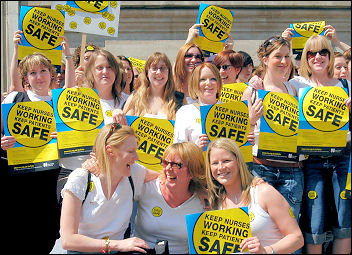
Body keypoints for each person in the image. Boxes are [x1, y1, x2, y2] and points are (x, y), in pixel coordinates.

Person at [1, 39, 73, 252]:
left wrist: (67, 56)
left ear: (52, 74)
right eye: (33, 73)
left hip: (48, 181)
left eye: (43, 71)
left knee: (44, 239)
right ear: (26, 78)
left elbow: (70, 88)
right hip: (18, 182)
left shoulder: (59, 103)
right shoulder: (14, 98)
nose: (39, 76)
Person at [285, 34, 351, 254]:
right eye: (311, 53)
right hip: (311, 159)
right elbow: (271, 83)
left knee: (343, 222)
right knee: (314, 221)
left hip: (342, 156)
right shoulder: (296, 85)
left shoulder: (346, 84)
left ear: (331, 56)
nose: (318, 57)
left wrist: (339, 39)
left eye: (324, 52)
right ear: (305, 57)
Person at [58, 123, 152, 253]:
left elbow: (167, 177)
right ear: (110, 151)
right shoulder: (81, 178)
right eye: (131, 152)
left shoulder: (134, 172)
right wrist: (117, 245)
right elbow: (68, 240)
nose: (137, 158)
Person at [242, 35, 303, 223]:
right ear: (265, 59)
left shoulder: (295, 89)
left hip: (292, 171)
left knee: (290, 231)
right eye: (278, 56)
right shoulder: (251, 91)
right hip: (262, 168)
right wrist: (251, 120)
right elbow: (241, 136)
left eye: (287, 56)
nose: (284, 61)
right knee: (261, 228)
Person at [204, 138, 304, 254]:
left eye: (226, 161)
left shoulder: (264, 193)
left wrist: (266, 251)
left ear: (238, 161)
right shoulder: (212, 202)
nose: (221, 167)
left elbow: (297, 238)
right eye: (215, 163)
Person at [133, 142, 208, 253]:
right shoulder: (147, 187)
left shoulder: (203, 203)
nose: (168, 168)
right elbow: (119, 163)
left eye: (176, 165)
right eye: (165, 163)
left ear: (193, 171)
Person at [173, 62, 222, 150]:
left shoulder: (229, 109)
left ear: (218, 82)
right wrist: (196, 148)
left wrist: (247, 141)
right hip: (197, 163)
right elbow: (178, 150)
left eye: (213, 79)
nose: (208, 83)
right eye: (202, 79)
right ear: (195, 83)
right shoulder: (185, 112)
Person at [121, 52, 181, 120]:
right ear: (147, 73)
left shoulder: (179, 99)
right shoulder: (135, 97)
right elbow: (124, 126)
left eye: (162, 68)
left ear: (169, 72)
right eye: (154, 68)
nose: (158, 72)